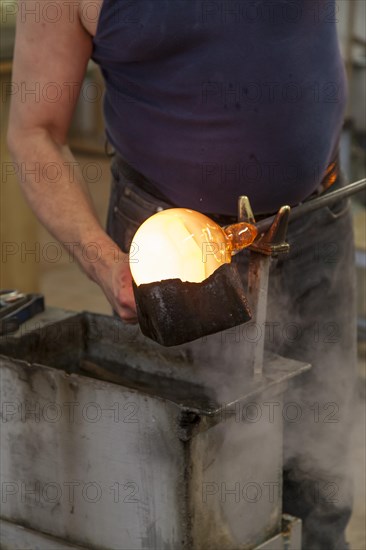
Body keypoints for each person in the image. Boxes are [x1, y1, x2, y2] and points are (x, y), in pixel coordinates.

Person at [8, 1, 356, 548]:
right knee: (190, 491)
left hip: (313, 222)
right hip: (175, 262)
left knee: (321, 478)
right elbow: (35, 133)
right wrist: (103, 260)